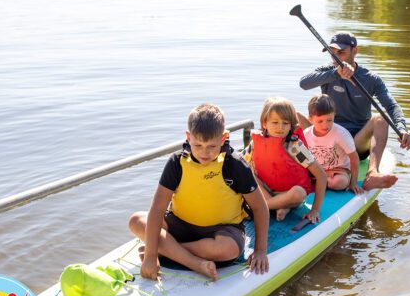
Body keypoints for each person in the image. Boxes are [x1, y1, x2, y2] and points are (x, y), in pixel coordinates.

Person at [129, 103, 269, 281]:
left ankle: (166, 249)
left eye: (212, 146)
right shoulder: (176, 163)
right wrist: (150, 257)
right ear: (188, 137)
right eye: (198, 145)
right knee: (136, 221)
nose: (204, 152)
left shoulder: (235, 165)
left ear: (223, 137)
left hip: (222, 231)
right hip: (180, 224)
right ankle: (194, 263)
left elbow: (259, 208)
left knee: (228, 249)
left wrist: (260, 251)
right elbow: (157, 208)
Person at [299, 32, 410, 190]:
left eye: (341, 52)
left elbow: (392, 106)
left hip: (355, 142)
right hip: (326, 136)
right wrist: (334, 74)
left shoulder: (370, 78)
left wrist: (402, 128)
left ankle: (372, 173)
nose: (336, 58)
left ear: (355, 51)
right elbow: (303, 83)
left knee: (380, 118)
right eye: (333, 53)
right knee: (290, 112)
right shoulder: (328, 71)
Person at [248, 97, 327, 222]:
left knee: (299, 193)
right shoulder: (255, 143)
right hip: (265, 192)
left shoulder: (294, 147)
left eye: (285, 123)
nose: (280, 128)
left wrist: (315, 210)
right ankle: (279, 207)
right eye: (275, 122)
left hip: (289, 194)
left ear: (291, 126)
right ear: (264, 123)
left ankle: (263, 207)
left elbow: (321, 175)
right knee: (247, 172)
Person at [303, 94, 363, 194]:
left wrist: (353, 183)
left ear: (334, 115)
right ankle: (319, 181)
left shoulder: (340, 134)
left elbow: (354, 158)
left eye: (329, 120)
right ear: (310, 119)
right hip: (317, 170)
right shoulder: (306, 134)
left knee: (340, 182)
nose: (325, 125)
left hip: (338, 170)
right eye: (320, 121)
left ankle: (319, 183)